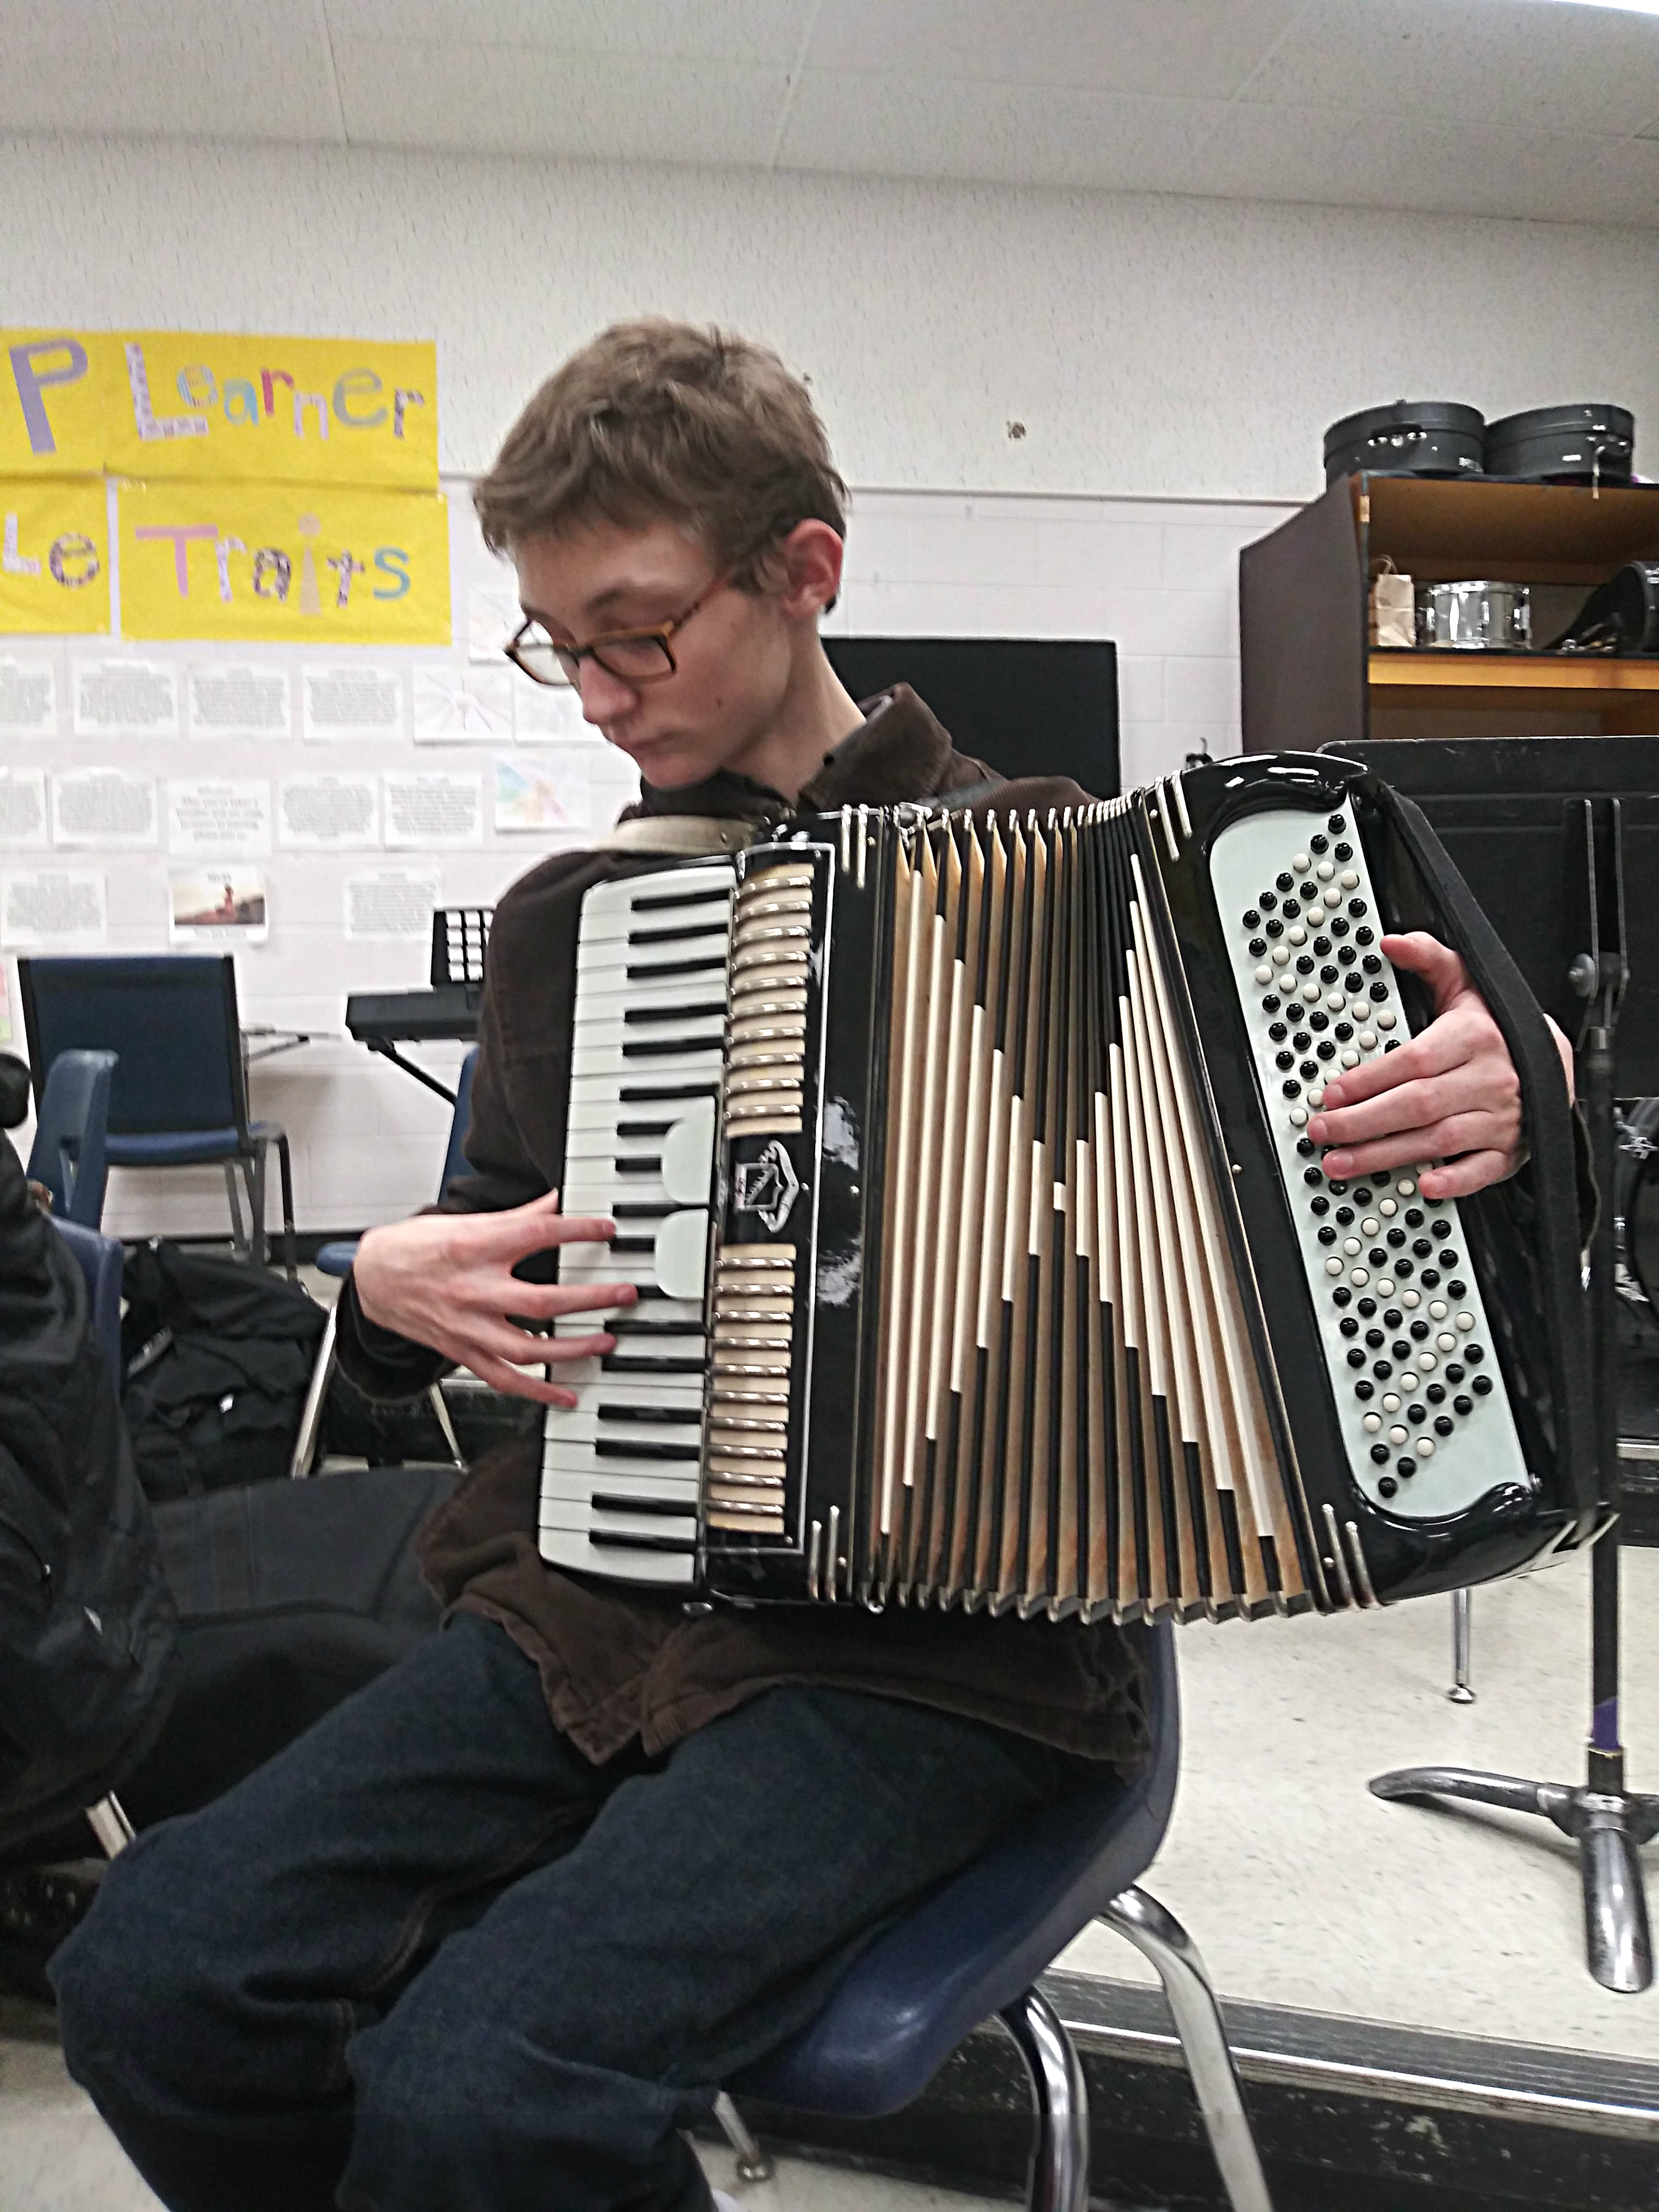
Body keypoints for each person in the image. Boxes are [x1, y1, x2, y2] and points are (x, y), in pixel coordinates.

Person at [51, 322, 1555, 2212]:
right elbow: (500, 1289)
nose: (593, 693)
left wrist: (1508, 1089)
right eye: (556, 644)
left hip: (956, 1658)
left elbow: (1384, 1164)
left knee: (489, 2081)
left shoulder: (1073, 878)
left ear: (803, 570)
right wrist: (390, 1289)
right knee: (154, 1967)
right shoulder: (569, 931)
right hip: (590, 1614)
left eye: (635, 630)